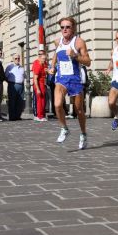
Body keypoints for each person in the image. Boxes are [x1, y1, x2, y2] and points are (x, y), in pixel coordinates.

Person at [50, 16, 91, 149]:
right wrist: (52, 67)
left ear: (73, 28)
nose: (65, 29)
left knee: (79, 110)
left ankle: (83, 134)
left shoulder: (79, 42)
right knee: (57, 105)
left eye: (68, 27)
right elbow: (55, 56)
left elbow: (88, 62)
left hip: (75, 79)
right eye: (62, 27)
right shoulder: (57, 42)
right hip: (61, 79)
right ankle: (64, 128)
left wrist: (75, 55)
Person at [5, 54, 25, 121]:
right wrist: (11, 83)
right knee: (12, 101)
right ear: (13, 59)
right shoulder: (10, 67)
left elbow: (24, 76)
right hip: (12, 85)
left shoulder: (22, 68)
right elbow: (5, 77)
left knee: (20, 102)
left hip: (21, 86)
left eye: (18, 58)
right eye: (16, 58)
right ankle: (12, 117)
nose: (17, 60)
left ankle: (17, 116)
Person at [32, 50, 48, 122]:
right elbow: (35, 79)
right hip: (38, 84)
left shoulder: (44, 64)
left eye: (45, 59)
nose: (44, 60)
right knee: (39, 100)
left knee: (43, 100)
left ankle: (42, 115)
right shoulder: (37, 65)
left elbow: (46, 70)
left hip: (43, 83)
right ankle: (39, 116)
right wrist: (38, 89)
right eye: (43, 59)